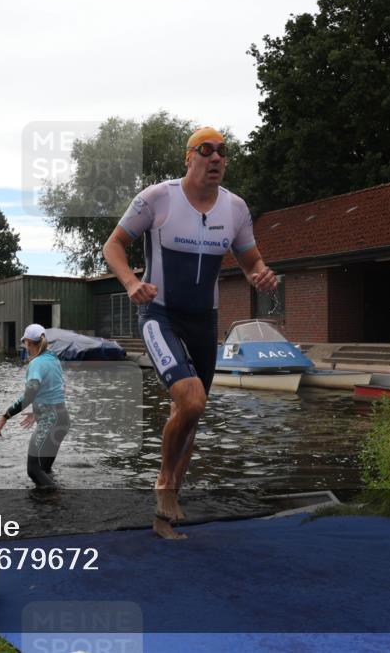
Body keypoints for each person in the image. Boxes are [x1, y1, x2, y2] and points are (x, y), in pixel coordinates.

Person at [103, 126, 278, 539]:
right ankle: (164, 485)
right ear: (189, 157)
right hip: (159, 313)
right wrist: (131, 283)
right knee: (192, 398)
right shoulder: (157, 198)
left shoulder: (235, 208)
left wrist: (259, 276)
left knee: (191, 417)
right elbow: (113, 245)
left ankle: (164, 519)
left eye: (222, 151)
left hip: (203, 320)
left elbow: (252, 260)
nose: (216, 158)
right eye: (206, 150)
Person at [0, 323, 69, 487]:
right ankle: (50, 509)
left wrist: (5, 416)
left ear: (27, 342)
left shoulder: (36, 364)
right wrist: (38, 412)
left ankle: (56, 499)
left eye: (24, 342)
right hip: (62, 418)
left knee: (33, 470)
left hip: (50, 420)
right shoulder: (53, 358)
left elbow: (28, 396)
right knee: (45, 470)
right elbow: (59, 388)